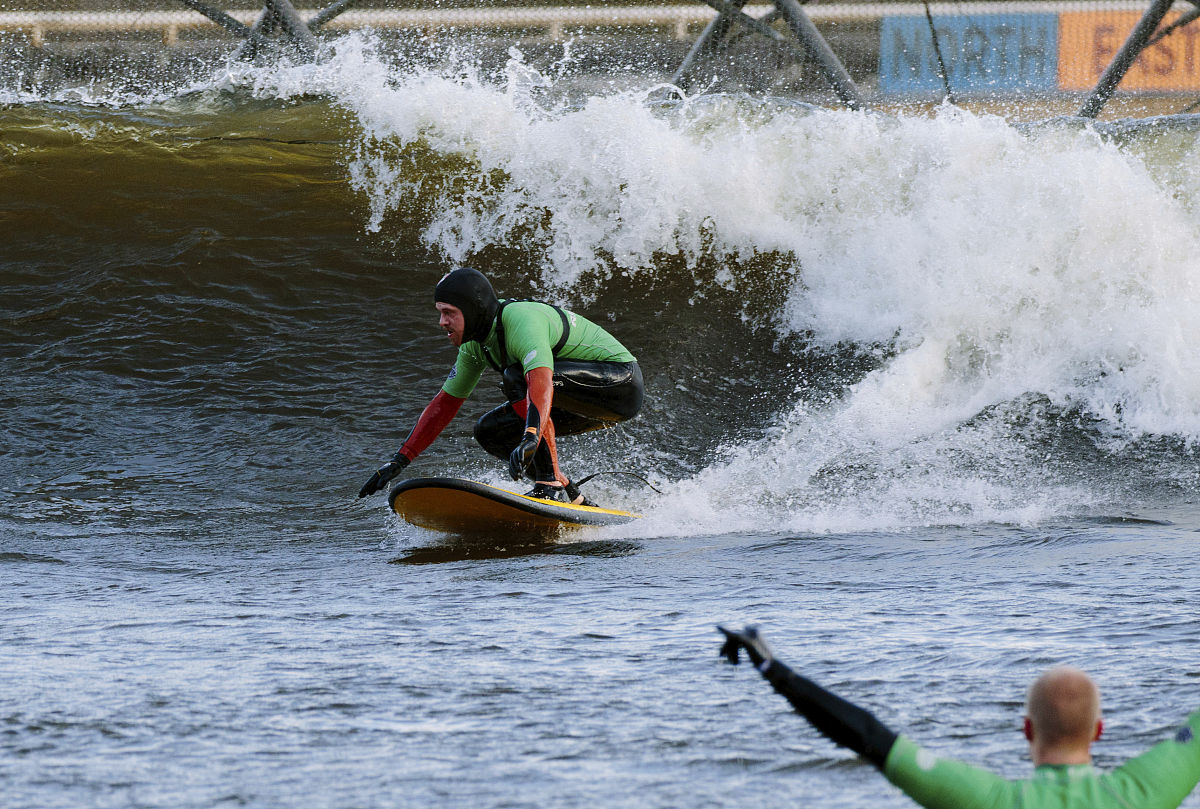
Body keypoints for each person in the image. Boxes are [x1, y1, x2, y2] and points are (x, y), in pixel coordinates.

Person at [717, 625, 1200, 809]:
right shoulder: (1141, 794)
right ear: (1098, 730)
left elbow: (867, 736)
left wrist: (775, 671)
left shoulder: (992, 801)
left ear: (1027, 728)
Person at [358, 267, 643, 504]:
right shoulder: (475, 345)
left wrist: (530, 437)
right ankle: (569, 493)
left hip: (619, 384)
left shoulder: (521, 321)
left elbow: (541, 383)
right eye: (440, 312)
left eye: (449, 312)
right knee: (489, 431)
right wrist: (400, 460)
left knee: (516, 378)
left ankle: (549, 485)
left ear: (472, 310)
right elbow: (444, 404)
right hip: (572, 397)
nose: (442, 322)